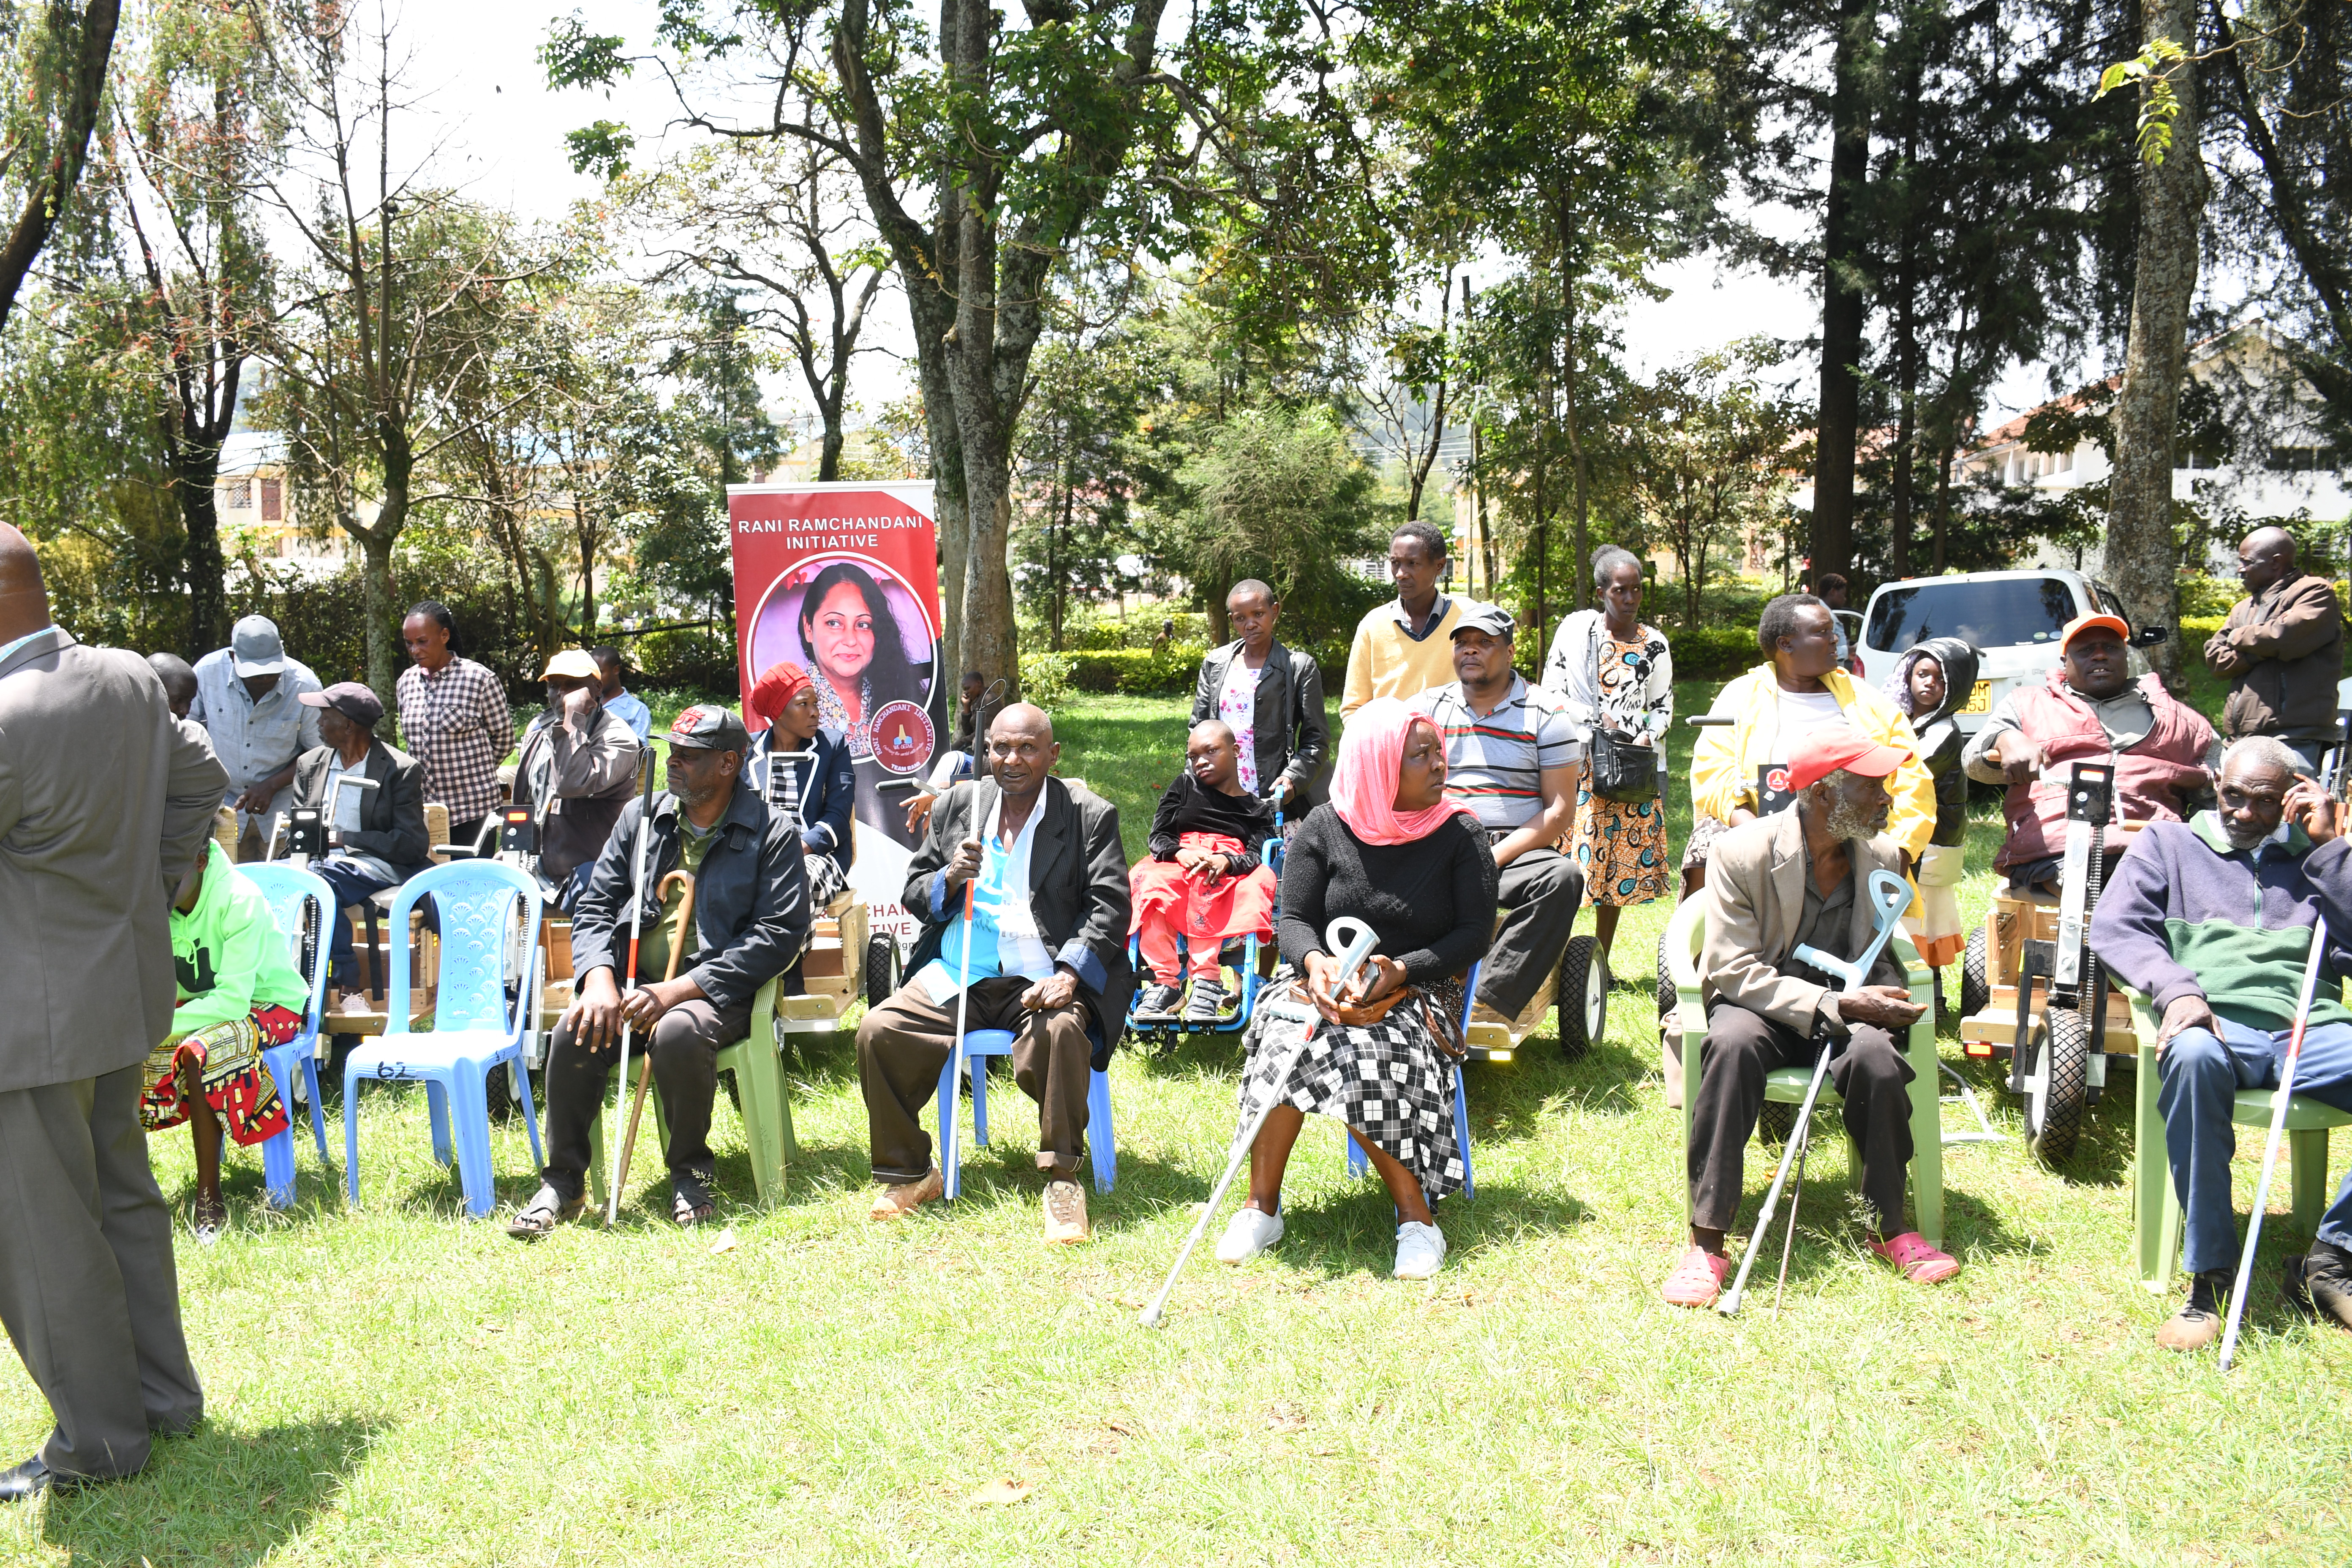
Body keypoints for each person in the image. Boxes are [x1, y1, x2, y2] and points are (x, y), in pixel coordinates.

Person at [0, 523, 226, 1500]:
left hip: (27, 1020)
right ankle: (161, 1400)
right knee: (124, 1203)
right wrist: (149, 884)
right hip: (120, 996)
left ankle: (98, 1442)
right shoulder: (132, 676)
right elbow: (201, 774)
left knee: (44, 1235)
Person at [1662, 724, 1956, 1309]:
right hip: (1762, 1007)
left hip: (1848, 1011)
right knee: (1731, 1047)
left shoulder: (1883, 855)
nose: (1887, 800)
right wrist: (1832, 1004)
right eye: (1873, 787)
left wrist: (1886, 999)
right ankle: (1708, 1240)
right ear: (1824, 793)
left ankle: (1890, 1224)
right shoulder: (1739, 853)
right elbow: (1732, 969)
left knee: (1877, 1058)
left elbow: (1884, 953)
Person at [1214, 697, 1497, 1279]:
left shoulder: (1461, 833)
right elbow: (1291, 918)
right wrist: (1314, 962)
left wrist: (1401, 969)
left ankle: (1417, 1220)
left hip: (1421, 990)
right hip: (1323, 982)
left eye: (1438, 751)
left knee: (1357, 1051)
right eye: (1420, 755)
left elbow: (1473, 935)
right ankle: (1260, 1208)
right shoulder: (1324, 825)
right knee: (1285, 1031)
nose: (1438, 763)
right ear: (1378, 765)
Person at [506, 705, 811, 1235]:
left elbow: (778, 935)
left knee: (677, 1030)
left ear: (728, 764)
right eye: (672, 753)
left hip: (718, 992)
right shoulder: (641, 817)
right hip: (631, 983)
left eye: (690, 757)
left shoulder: (772, 830)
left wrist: (679, 990)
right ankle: (564, 1183)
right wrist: (599, 979)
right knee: (573, 1030)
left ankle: (689, 1173)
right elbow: (597, 903)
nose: (674, 765)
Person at [2090, 736, 2352, 1347]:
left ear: (2291, 799)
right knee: (2194, 1055)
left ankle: (2332, 1256)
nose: (2243, 813)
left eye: (2263, 802)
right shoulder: (2169, 843)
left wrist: (2331, 849)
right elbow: (2116, 928)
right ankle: (2208, 1279)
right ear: (2214, 782)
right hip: (2215, 1023)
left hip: (2308, 1028)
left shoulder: (2318, 856)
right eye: (2232, 795)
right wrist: (2178, 990)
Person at [856, 704, 1132, 1244]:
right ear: (986, 752)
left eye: (1028, 748)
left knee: (1062, 1031)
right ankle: (912, 1172)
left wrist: (1071, 974)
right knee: (879, 1031)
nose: (1012, 759)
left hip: (1042, 973)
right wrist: (949, 878)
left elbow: (1110, 906)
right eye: (1001, 747)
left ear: (1053, 755)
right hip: (962, 971)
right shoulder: (961, 804)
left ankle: (1062, 1180)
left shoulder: (1086, 813)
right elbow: (916, 891)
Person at [1686, 593, 1934, 898]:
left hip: (1856, 840)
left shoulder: (1867, 700)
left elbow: (1913, 778)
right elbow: (1713, 773)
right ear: (1786, 644)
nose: (1835, 640)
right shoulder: (1741, 697)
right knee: (1708, 847)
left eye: (1833, 631)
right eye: (1822, 632)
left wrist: (1899, 854)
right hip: (1758, 832)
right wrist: (1757, 837)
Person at [1963, 613, 2217, 895]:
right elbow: (1974, 764)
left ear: (2126, 656)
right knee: (2101, 889)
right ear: (2065, 661)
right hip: (2056, 850)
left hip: (2152, 846)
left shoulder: (2177, 718)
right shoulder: (2027, 705)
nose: (2099, 657)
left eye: (2110, 648)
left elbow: (2219, 786)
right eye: (2086, 651)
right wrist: (2004, 739)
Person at [1416, 604, 1585, 1028]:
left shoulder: (1546, 713)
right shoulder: (1428, 708)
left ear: (1510, 652)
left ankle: (1484, 1004)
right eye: (1463, 644)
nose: (1470, 652)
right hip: (1440, 842)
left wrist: (1493, 857)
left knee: (1563, 878)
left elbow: (1561, 810)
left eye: (1484, 643)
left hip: (1516, 846)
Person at [144, 840, 306, 1238]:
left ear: (199, 861)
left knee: (200, 1051)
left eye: (170, 875)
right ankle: (129, 1191)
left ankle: (208, 1200)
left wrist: (161, 1024)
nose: (160, 885)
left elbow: (234, 1001)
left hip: (271, 1005)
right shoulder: (156, 903)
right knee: (120, 1047)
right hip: (201, 1007)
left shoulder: (239, 899)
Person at [1542, 545, 1674, 965]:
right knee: (1573, 862)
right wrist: (1594, 721)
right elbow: (1553, 693)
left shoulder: (1655, 645)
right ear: (1603, 592)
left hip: (1629, 769)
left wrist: (1646, 736)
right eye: (1621, 590)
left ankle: (1599, 960)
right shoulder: (1579, 636)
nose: (1630, 599)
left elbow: (1664, 706)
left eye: (1636, 590)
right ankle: (1557, 959)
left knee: (1617, 864)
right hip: (1581, 764)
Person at [287, 682, 431, 1009]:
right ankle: (289, 986)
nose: (318, 724)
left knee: (319, 882)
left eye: (325, 716)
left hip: (373, 863)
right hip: (316, 863)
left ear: (348, 725)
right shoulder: (310, 765)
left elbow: (411, 844)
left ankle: (347, 982)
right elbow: (297, 829)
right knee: (275, 881)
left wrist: (347, 839)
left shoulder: (399, 769)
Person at [1131, 720, 1279, 1026]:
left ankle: (1207, 980)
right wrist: (1182, 853)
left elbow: (1257, 852)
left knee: (1223, 884)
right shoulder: (1184, 787)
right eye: (1194, 756)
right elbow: (1159, 836)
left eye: (1211, 751)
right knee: (1150, 881)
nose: (1201, 762)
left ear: (1236, 751)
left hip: (1227, 865)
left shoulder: (1255, 810)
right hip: (1179, 859)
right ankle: (1165, 982)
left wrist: (1227, 860)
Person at [2204, 525, 2345, 776]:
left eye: (2246, 562)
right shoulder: (2243, 608)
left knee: (2288, 812)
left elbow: (2285, 636)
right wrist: (2261, 650)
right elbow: (2217, 659)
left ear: (2276, 563)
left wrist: (2238, 636)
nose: (2240, 569)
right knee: (2238, 813)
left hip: (2293, 737)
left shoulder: (2314, 592)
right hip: (2241, 739)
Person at [510, 650, 644, 900]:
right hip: (541, 871)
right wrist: (512, 853)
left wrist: (573, 719)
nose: (561, 694)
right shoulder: (538, 729)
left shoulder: (617, 736)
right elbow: (525, 799)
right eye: (553, 686)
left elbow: (571, 783)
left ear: (596, 688)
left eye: (572, 686)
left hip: (595, 875)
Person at [189, 613, 323, 860]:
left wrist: (272, 785)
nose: (264, 679)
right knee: (226, 890)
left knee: (280, 889)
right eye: (255, 673)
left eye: (271, 671)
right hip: (220, 810)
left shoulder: (304, 686)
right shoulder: (206, 674)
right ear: (233, 658)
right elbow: (186, 734)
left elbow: (319, 754)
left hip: (282, 814)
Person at [1881, 637, 1980, 968]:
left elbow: (1911, 767)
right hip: (1910, 831)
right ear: (1908, 676)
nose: (1930, 683)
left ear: (1954, 688)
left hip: (1932, 838)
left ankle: (1930, 991)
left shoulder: (1945, 732)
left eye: (1941, 679)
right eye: (1923, 674)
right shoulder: (1903, 722)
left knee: (1925, 914)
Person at [1192, 579, 1330, 816]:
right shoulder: (1215, 664)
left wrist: (1292, 778)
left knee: (1271, 852)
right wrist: (1193, 787)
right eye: (1240, 618)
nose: (1250, 624)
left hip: (1273, 795)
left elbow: (1316, 740)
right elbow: (1197, 732)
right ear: (1232, 619)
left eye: (1258, 614)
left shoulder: (1298, 667)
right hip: (1222, 792)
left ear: (1274, 611)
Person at [395, 600, 514, 852]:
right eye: (409, 643)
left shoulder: (479, 679)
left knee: (474, 884)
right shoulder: (406, 682)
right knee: (433, 885)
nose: (415, 650)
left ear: (445, 636)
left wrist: (473, 772)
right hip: (426, 813)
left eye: (422, 641)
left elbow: (504, 739)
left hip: (473, 810)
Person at [746, 659, 857, 911]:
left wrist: (796, 850)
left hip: (818, 858)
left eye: (815, 704)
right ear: (778, 712)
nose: (815, 712)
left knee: (790, 884)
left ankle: (781, 950)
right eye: (803, 705)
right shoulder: (748, 752)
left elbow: (838, 816)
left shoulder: (832, 745)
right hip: (758, 860)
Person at [798, 561, 926, 760]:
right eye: (834, 623)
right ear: (809, 628)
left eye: (864, 624)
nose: (850, 640)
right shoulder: (790, 707)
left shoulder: (898, 693)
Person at [1341, 521, 1463, 720]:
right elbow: (1354, 708)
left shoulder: (1465, 617)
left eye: (1413, 564)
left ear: (1439, 566)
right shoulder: (1373, 625)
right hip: (1390, 747)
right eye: (1395, 563)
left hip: (1454, 745)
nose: (1400, 574)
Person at [588, 645, 652, 742]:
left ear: (616, 670)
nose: (596, 679)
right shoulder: (588, 704)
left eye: (600, 673)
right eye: (592, 674)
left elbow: (640, 752)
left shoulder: (638, 710)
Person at [1816, 572, 1852, 666]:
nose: (1845, 599)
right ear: (1833, 592)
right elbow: (1821, 650)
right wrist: (1850, 650)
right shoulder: (1823, 615)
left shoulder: (1826, 612)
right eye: (1843, 595)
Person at [147, 652, 198, 721]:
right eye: (178, 700)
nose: (186, 711)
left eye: (190, 700)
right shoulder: (129, 728)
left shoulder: (194, 730)